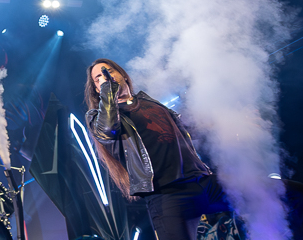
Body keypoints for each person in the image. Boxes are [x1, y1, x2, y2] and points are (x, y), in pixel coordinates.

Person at [84, 59, 232, 240]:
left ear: (123, 75)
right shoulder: (97, 117)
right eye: (98, 78)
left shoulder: (149, 102)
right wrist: (109, 91)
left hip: (203, 182)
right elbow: (108, 130)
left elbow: (184, 131)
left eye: (108, 71)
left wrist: (228, 124)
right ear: (97, 89)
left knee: (258, 195)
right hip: (168, 195)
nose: (106, 77)